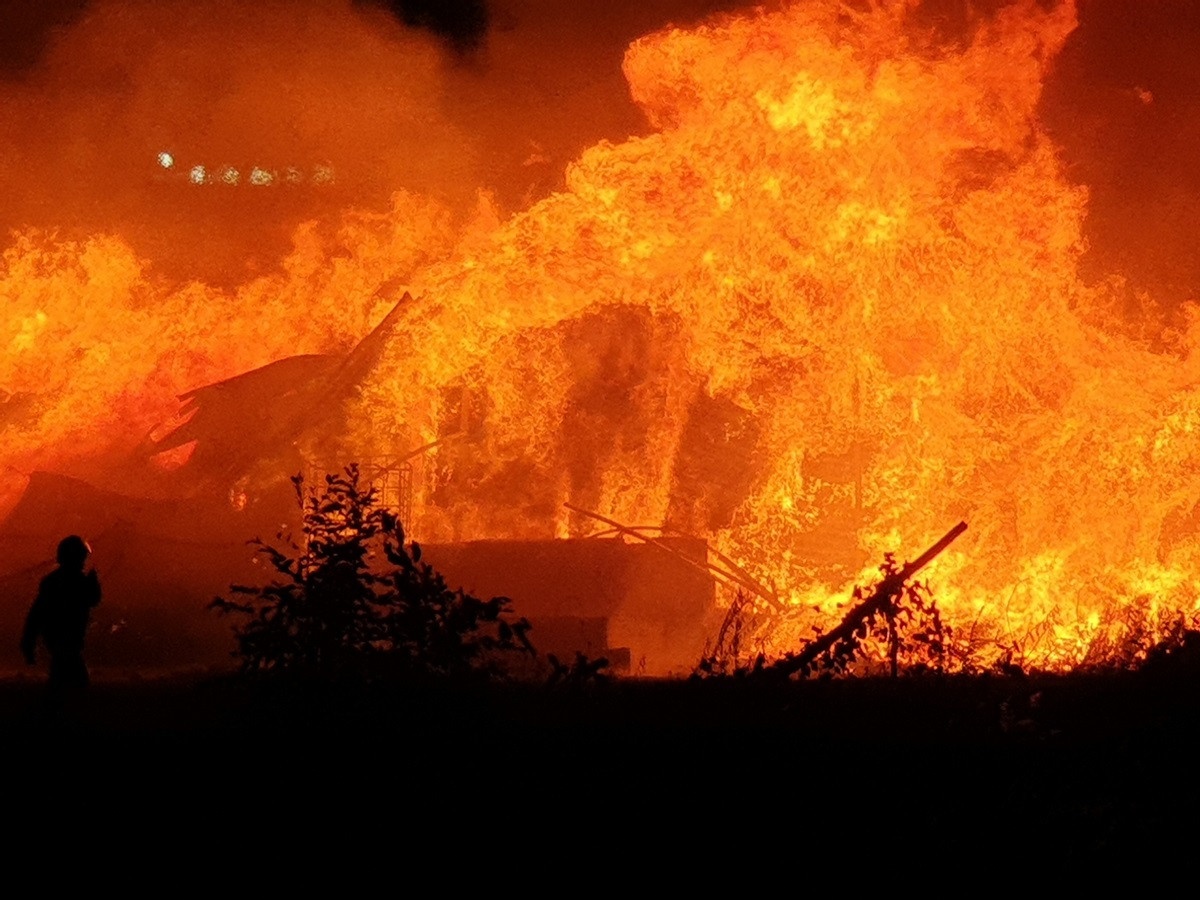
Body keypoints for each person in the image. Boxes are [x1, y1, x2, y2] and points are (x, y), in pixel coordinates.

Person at [20, 535, 102, 694]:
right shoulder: (76, 582)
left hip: (58, 641)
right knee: (75, 683)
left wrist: (28, 642)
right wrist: (93, 583)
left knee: (61, 681)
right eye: (82, 557)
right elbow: (93, 600)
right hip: (66, 641)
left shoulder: (52, 581)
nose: (84, 561)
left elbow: (36, 615)